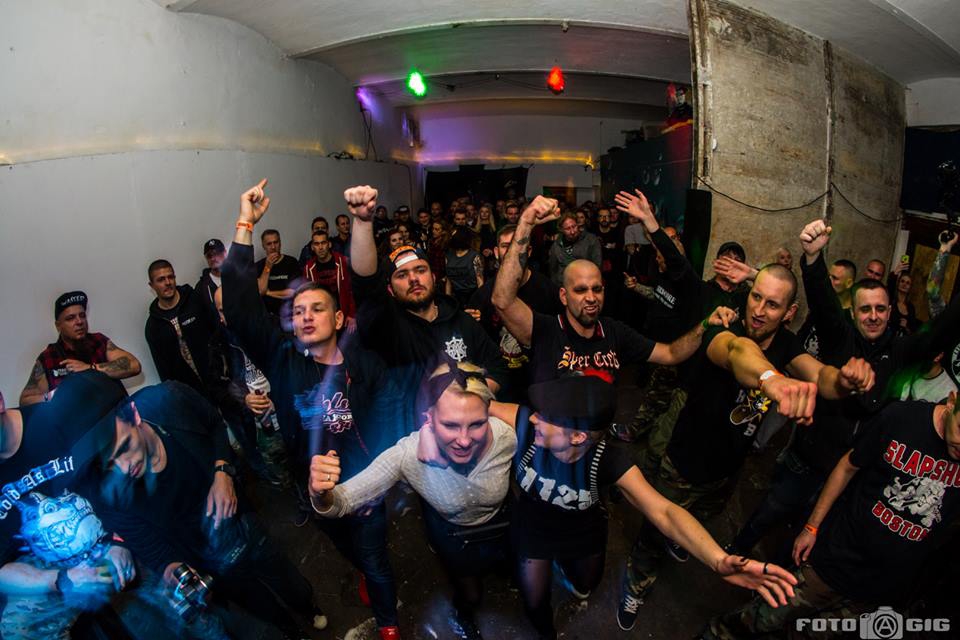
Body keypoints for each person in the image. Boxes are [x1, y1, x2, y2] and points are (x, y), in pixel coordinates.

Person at [619, 263, 876, 629]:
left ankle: (683, 539)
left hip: (728, 469)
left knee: (702, 517)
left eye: (772, 304)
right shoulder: (725, 327)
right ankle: (636, 583)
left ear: (788, 313)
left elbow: (821, 375)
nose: (758, 310)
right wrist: (771, 379)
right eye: (756, 297)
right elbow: (738, 353)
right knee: (656, 532)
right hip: (685, 462)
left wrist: (845, 381)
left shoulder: (787, 344)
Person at [224, 179, 405, 639]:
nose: (305, 316)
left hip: (367, 487)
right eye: (298, 311)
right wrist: (245, 224)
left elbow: (390, 421)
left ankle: (388, 625)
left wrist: (379, 481)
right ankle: (361, 569)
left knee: (376, 559)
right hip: (314, 490)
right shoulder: (284, 361)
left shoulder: (366, 364)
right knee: (344, 545)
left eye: (317, 309)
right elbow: (240, 310)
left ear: (339, 319)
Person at [498, 376, 798, 640]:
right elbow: (477, 406)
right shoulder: (525, 424)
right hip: (533, 532)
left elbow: (664, 511)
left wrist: (717, 560)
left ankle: (569, 574)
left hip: (582, 533)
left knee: (585, 583)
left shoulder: (610, 460)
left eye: (546, 417)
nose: (534, 419)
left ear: (578, 436)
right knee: (534, 598)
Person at [700, 396, 960, 639]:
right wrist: (811, 527)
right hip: (833, 562)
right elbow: (848, 466)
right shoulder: (902, 418)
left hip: (876, 589)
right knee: (758, 619)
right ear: (952, 401)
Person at [89, 382, 326, 639]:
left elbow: (214, 423)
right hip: (207, 560)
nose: (124, 467)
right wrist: (174, 571)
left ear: (134, 415)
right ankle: (292, 631)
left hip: (241, 523)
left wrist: (222, 471)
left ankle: (307, 607)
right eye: (111, 463)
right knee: (257, 602)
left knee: (282, 573)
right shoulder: (113, 494)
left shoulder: (170, 401)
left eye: (125, 447)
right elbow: (154, 550)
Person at [310, 361, 516, 640]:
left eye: (477, 423)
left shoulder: (506, 437)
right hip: (453, 537)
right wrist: (320, 494)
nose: (465, 440)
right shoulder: (407, 455)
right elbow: (341, 503)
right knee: (470, 594)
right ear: (428, 418)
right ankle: (464, 615)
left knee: (508, 567)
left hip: (503, 524)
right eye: (450, 425)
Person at [493, 195, 737, 387]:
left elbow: (671, 353)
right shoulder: (547, 330)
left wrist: (704, 325)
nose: (591, 297)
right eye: (580, 290)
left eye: (597, 289)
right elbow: (502, 300)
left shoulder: (614, 332)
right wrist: (525, 223)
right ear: (564, 296)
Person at [346, 184, 507, 438]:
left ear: (433, 277)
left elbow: (497, 366)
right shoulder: (389, 327)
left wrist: (468, 399)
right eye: (402, 275)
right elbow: (366, 285)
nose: (413, 279)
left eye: (420, 270)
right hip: (414, 442)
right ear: (390, 289)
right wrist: (363, 222)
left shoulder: (461, 321)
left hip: (466, 440)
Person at [0, 372, 133, 640]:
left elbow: (127, 472)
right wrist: (60, 580)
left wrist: (120, 540)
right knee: (16, 630)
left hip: (114, 531)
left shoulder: (56, 419)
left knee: (173, 603)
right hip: (52, 568)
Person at [205, 288, 290, 489]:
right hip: (256, 425)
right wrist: (244, 399)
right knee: (278, 469)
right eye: (221, 310)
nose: (226, 315)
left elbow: (294, 365)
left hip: (289, 412)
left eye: (230, 307)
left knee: (303, 459)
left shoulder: (272, 326)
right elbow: (217, 388)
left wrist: (279, 394)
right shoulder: (218, 343)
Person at [465, 225, 562, 402]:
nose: (511, 251)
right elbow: (474, 346)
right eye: (505, 246)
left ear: (529, 251)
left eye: (517, 246)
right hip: (502, 387)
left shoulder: (549, 291)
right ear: (496, 252)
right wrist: (469, 324)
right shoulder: (482, 296)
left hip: (541, 384)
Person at [20, 291, 141, 406]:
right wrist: (55, 396)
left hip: (117, 413)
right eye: (70, 318)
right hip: (80, 419)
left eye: (82, 315)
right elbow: (25, 400)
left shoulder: (98, 341)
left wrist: (91, 368)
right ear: (58, 326)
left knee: (147, 395)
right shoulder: (49, 356)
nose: (79, 322)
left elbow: (134, 365)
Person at [144, 259, 215, 393]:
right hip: (190, 392)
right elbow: (163, 369)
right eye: (161, 280)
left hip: (218, 380)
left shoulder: (195, 300)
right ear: (152, 285)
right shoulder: (153, 326)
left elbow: (217, 332)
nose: (168, 282)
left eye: (171, 277)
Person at [303, 228, 356, 319]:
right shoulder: (309, 268)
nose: (320, 247)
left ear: (329, 244)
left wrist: (352, 315)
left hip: (343, 314)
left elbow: (352, 290)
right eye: (317, 244)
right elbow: (307, 295)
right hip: (321, 316)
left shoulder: (343, 262)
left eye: (323, 243)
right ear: (312, 247)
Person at [547, 212, 602, 286]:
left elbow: (597, 265)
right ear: (561, 230)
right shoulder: (557, 245)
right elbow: (553, 269)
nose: (572, 231)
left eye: (574, 226)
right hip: (564, 285)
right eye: (567, 229)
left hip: (586, 283)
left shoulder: (591, 240)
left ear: (578, 224)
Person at [256, 229, 300, 317]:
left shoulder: (291, 262)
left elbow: (293, 292)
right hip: (267, 316)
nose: (273, 247)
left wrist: (268, 293)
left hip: (289, 314)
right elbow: (261, 291)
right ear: (263, 246)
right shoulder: (258, 266)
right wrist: (267, 267)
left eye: (276, 242)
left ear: (280, 243)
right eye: (269, 244)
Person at [445, 228, 483, 308]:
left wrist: (481, 300)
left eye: (453, 236)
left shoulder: (474, 256)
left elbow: (480, 280)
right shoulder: (449, 255)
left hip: (471, 295)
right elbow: (448, 280)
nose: (451, 238)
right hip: (456, 295)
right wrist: (447, 299)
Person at [196, 238, 226, 325]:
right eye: (209, 256)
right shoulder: (201, 288)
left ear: (225, 253)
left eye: (216, 253)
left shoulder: (237, 276)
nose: (213, 258)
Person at [887, 261, 917, 336]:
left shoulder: (911, 308)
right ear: (898, 284)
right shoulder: (891, 300)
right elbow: (889, 286)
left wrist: (906, 327)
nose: (904, 284)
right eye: (902, 281)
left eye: (908, 283)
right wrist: (895, 273)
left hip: (900, 340)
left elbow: (913, 332)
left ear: (910, 287)